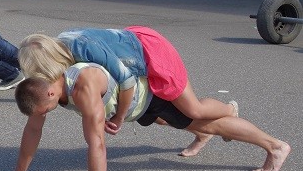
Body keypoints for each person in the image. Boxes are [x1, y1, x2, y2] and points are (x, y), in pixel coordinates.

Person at [0, 39, 291, 171]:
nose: (45, 115)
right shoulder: (42, 86)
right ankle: (201, 133)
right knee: (169, 120)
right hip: (135, 105)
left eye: (47, 110)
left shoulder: (83, 89)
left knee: (207, 121)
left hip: (151, 93)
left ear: (53, 94)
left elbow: (97, 144)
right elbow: (33, 130)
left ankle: (273, 145)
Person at [26, 27, 238, 153]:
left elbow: (126, 80)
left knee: (194, 110)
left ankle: (229, 110)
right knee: (160, 117)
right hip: (133, 49)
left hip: (151, 51)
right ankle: (202, 134)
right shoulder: (60, 52)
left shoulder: (82, 48)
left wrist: (119, 118)